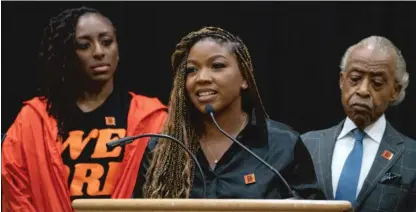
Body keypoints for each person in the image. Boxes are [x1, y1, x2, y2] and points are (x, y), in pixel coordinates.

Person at [1, 6, 167, 212]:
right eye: (84, 45)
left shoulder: (150, 117)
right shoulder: (34, 118)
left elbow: (167, 189)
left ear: (118, 50)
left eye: (107, 42)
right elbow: (14, 186)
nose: (99, 52)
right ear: (68, 53)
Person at [132, 26, 325, 199]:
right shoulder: (162, 149)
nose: (202, 78)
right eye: (191, 70)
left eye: (217, 66)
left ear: (245, 79)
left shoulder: (282, 144)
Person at [302, 36, 416, 212]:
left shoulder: (412, 156)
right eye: (355, 78)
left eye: (376, 83)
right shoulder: (306, 145)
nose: (363, 90)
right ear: (342, 80)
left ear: (395, 90)